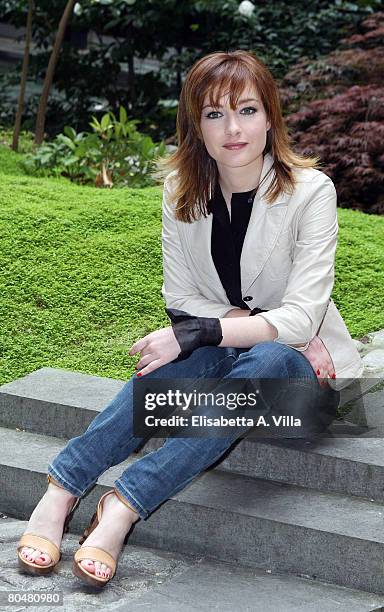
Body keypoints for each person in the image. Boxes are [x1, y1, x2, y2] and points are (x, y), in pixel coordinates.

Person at [16, 50, 363, 587]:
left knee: (261, 352)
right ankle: (60, 494)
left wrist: (210, 328)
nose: (233, 128)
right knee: (190, 352)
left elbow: (300, 320)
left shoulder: (310, 193)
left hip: (304, 386)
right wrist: (210, 329)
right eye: (214, 113)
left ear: (270, 115)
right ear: (195, 124)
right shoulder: (183, 192)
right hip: (231, 361)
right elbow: (180, 297)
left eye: (246, 110)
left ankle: (124, 506)